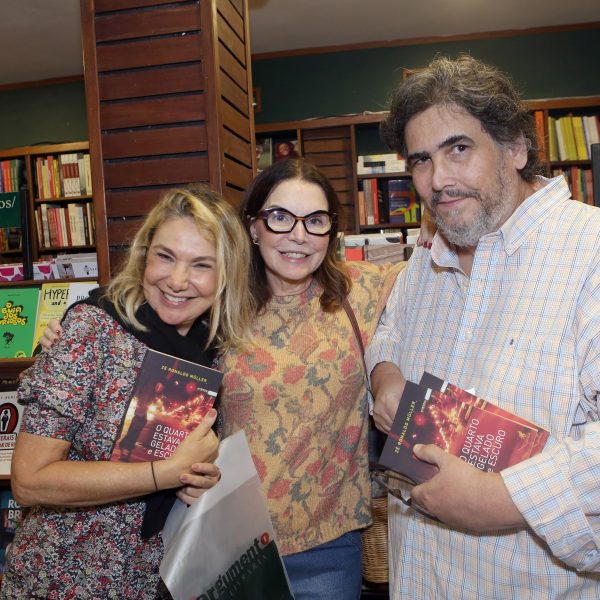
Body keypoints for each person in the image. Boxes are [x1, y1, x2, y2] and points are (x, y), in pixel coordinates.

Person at [38, 160, 413, 598]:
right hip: (228, 538)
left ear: (332, 231)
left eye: (315, 220)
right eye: (279, 217)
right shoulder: (217, 303)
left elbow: (434, 274)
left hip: (327, 543)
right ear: (252, 227)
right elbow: (137, 307)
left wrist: (434, 239)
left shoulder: (360, 291)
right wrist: (66, 327)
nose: (298, 235)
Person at [366, 54, 600, 599]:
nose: (438, 180)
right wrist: (384, 374)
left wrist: (501, 500)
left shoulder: (590, 255)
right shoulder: (425, 261)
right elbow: (389, 332)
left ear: (515, 148)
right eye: (421, 160)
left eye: (459, 149)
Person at [1, 185, 254, 599]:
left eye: (201, 265)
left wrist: (196, 480)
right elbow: (29, 481)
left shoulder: (214, 353)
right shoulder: (91, 330)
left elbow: (190, 458)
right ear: (144, 255)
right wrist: (164, 473)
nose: (176, 281)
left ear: (226, 275)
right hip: (65, 579)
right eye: (165, 256)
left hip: (162, 577)